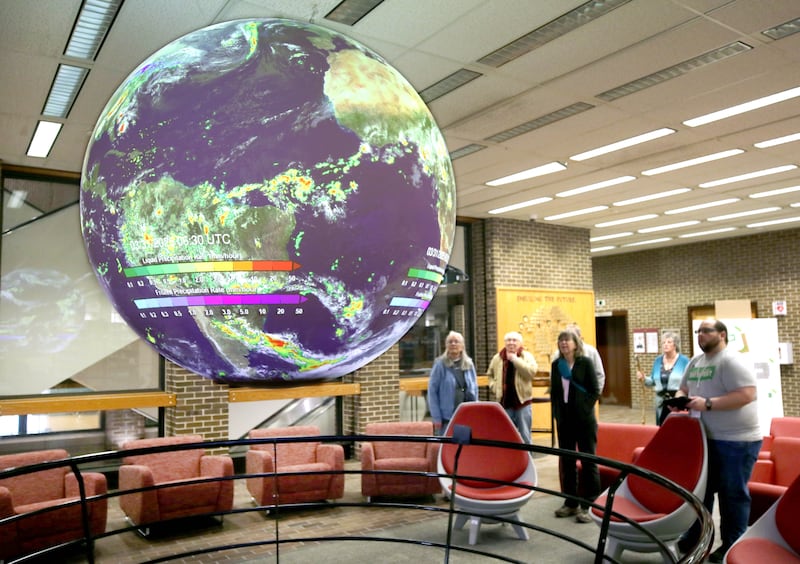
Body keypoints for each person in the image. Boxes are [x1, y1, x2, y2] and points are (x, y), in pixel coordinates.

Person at [674, 319, 761, 563]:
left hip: (737, 441)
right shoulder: (695, 361)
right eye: (698, 331)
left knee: (732, 495)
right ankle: (698, 536)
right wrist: (680, 399)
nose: (700, 335)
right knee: (701, 493)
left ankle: (732, 545)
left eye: (706, 331)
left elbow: (747, 394)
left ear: (722, 334)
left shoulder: (732, 360)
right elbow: (683, 388)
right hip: (704, 439)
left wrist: (708, 404)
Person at [550, 330, 601, 524]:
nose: (563, 344)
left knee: (588, 461)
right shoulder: (557, 365)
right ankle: (571, 502)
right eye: (560, 340)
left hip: (584, 420)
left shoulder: (585, 363)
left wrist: (584, 407)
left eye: (567, 340)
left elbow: (595, 390)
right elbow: (555, 392)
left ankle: (591, 504)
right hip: (565, 420)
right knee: (568, 461)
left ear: (575, 343)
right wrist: (557, 413)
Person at [487, 331, 538, 444]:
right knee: (506, 434)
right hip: (505, 402)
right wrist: (494, 387)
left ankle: (526, 459)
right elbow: (490, 375)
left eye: (514, 340)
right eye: (508, 340)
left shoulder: (526, 356)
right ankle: (509, 460)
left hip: (522, 402)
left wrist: (515, 360)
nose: (511, 343)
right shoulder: (498, 358)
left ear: (520, 343)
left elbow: (531, 373)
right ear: (505, 343)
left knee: (525, 435)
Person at [427, 331, 478, 435]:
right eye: (450, 342)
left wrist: (475, 412)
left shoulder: (469, 364)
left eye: (456, 341)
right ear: (446, 345)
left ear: (462, 345)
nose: (453, 344)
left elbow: (474, 389)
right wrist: (436, 418)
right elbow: (432, 392)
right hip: (447, 419)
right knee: (447, 447)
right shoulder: (440, 365)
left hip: (466, 415)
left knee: (464, 447)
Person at [636, 331, 690, 425]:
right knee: (661, 428)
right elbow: (652, 381)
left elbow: (690, 382)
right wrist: (644, 378)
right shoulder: (657, 361)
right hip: (661, 402)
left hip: (677, 402)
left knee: (677, 428)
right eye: (664, 342)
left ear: (675, 345)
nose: (665, 344)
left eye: (669, 342)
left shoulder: (684, 361)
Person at [566, 323, 606, 394]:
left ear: (579, 337)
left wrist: (595, 395)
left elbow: (599, 374)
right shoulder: (558, 354)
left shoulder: (591, 352)